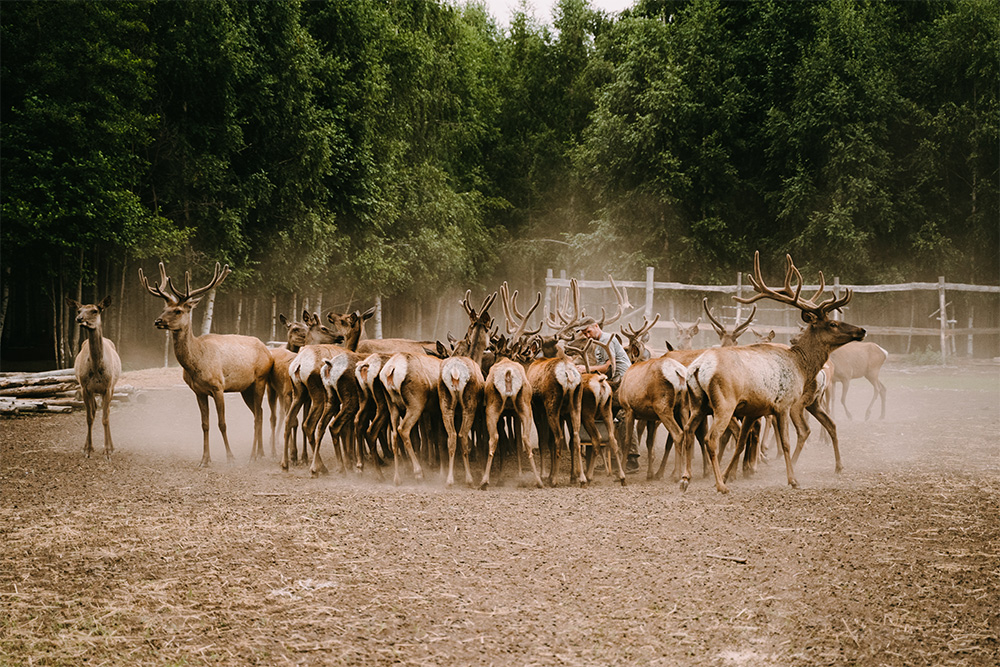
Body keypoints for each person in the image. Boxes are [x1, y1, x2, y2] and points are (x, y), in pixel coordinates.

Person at [576, 321, 639, 473]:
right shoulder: (598, 343)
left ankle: (632, 458)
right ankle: (613, 459)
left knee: (622, 414)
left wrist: (585, 369)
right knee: (608, 414)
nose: (587, 335)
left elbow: (607, 367)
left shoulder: (606, 339)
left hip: (622, 381)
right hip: (613, 381)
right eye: (584, 334)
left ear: (596, 326)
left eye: (588, 331)